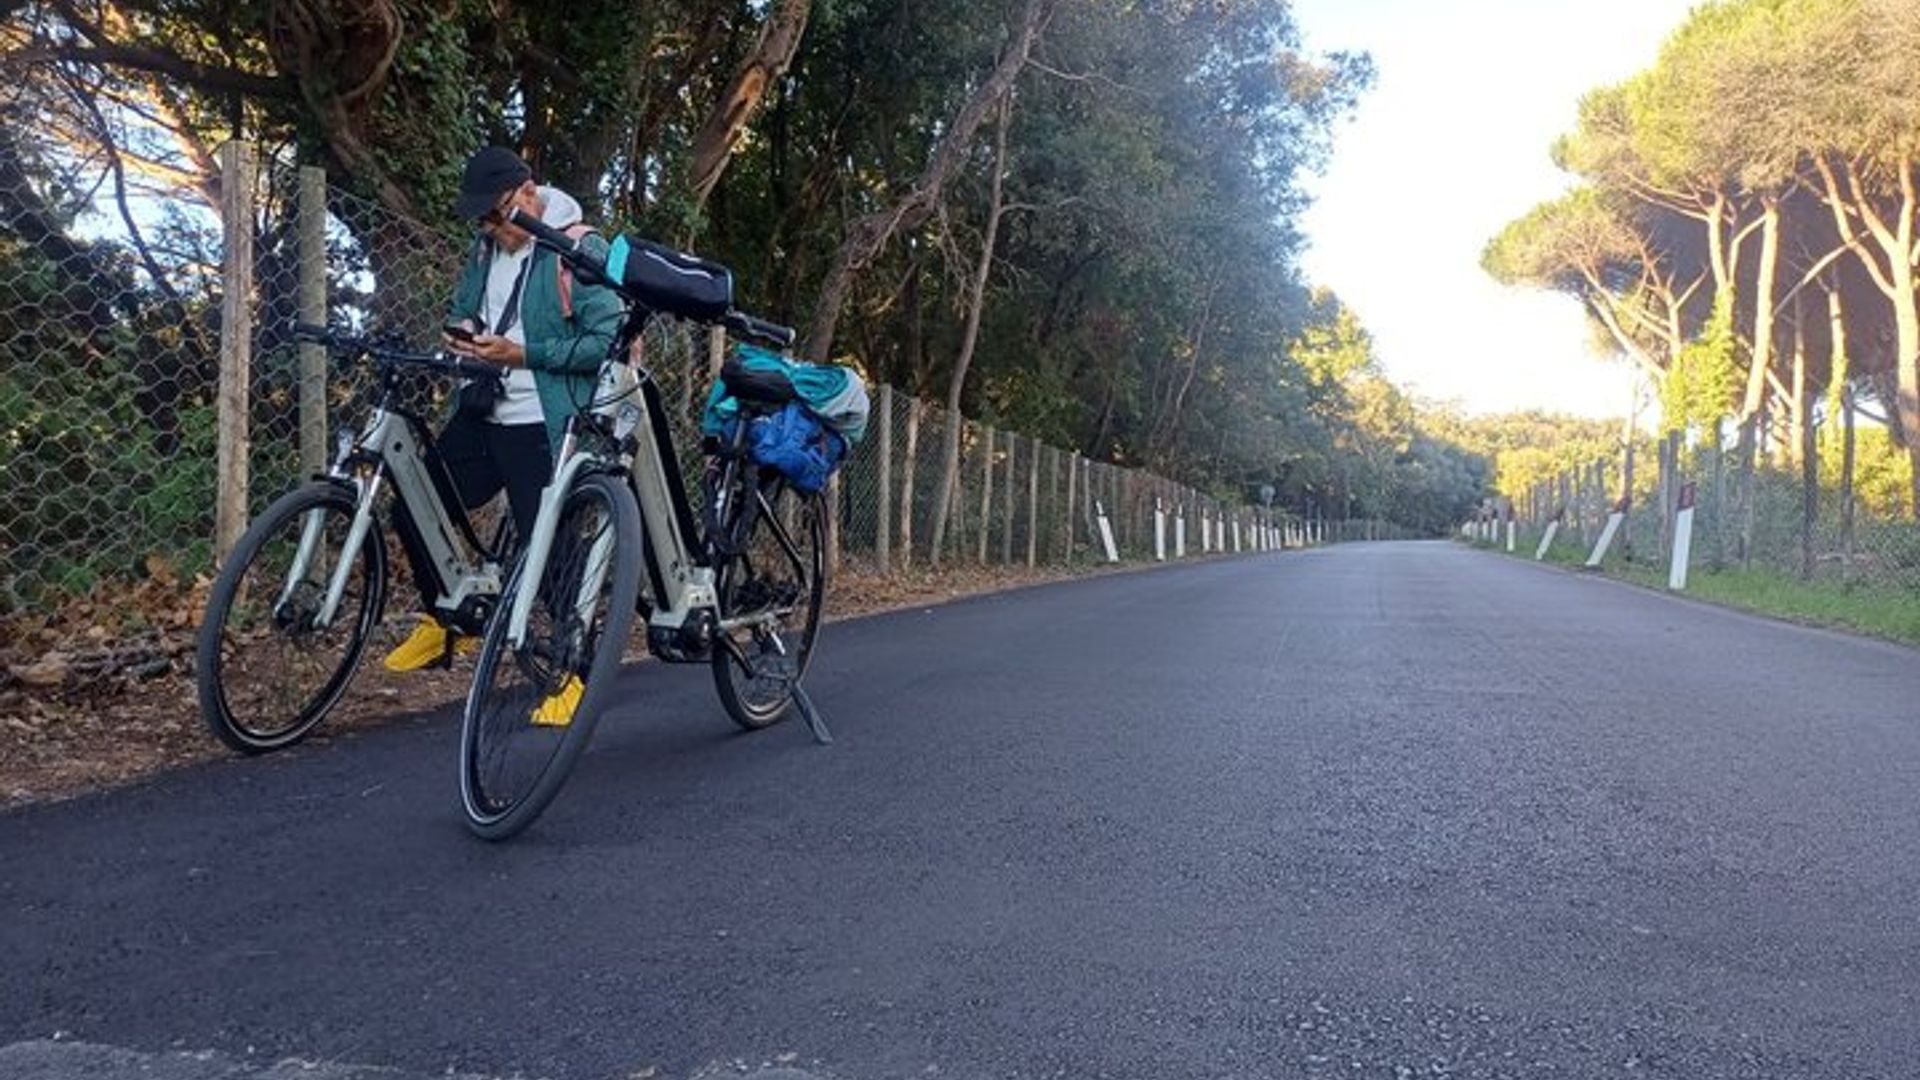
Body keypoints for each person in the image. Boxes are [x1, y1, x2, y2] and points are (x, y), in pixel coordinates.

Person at [383, 146, 623, 714]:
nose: (491, 228)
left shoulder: (580, 247)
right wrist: (463, 331)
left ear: (529, 193)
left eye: (497, 215)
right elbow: (467, 304)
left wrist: (522, 353)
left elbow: (604, 342)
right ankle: (450, 618)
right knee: (414, 504)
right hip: (483, 407)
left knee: (551, 557)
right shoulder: (486, 246)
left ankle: (571, 677)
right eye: (482, 220)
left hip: (544, 420)